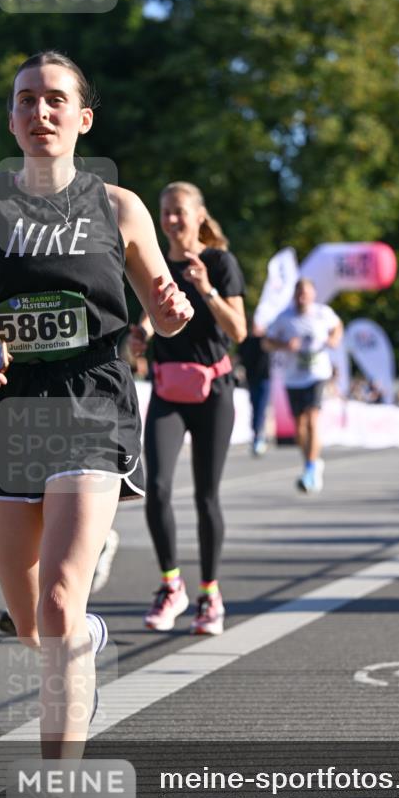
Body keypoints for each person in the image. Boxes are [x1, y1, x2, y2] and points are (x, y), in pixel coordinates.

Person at [0, 52, 192, 798]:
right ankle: (87, 633)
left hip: (91, 408)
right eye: (26, 100)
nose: (40, 111)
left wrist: (169, 308)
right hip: (2, 419)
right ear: (12, 117)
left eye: (56, 99)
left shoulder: (120, 207)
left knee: (59, 597)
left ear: (82, 119)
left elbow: (166, 318)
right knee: (34, 622)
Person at [130, 182, 246, 636]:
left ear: (199, 216)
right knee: (155, 487)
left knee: (205, 496)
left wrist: (206, 289)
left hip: (213, 390)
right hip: (167, 388)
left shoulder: (219, 262)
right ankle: (171, 585)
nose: (172, 220)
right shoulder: (153, 261)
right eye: (165, 212)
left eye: (179, 211)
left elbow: (239, 330)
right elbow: (148, 316)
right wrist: (139, 337)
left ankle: (210, 595)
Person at [263, 278, 343, 493]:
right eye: (299, 293)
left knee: (312, 418)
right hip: (292, 377)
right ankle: (312, 462)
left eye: (306, 293)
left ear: (313, 295)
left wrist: (334, 338)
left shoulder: (322, 313)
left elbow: (337, 326)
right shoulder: (284, 318)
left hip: (317, 374)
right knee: (299, 426)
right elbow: (266, 342)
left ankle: (309, 468)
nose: (302, 297)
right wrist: (284, 345)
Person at [239, 321, 271, 455]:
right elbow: (241, 358)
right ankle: (256, 435)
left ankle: (259, 436)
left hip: (264, 379)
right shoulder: (246, 340)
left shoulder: (266, 340)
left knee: (261, 408)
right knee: (254, 406)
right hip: (251, 379)